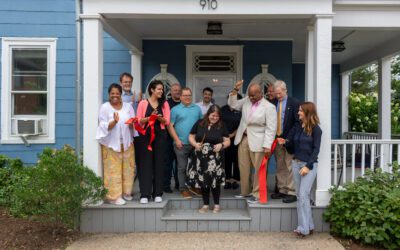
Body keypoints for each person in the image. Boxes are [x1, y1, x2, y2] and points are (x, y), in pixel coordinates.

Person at [277, 102, 322, 236]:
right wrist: (285, 142)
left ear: (308, 112)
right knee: (301, 196)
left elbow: (316, 150)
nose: (298, 113)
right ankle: (309, 225)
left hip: (308, 166)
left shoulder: (316, 129)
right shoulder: (298, 127)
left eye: (301, 111)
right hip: (296, 163)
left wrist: (308, 166)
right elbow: (294, 145)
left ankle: (303, 229)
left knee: (303, 196)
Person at [228, 80, 277, 203]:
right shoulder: (246, 100)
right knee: (243, 167)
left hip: (259, 141)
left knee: (259, 169)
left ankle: (258, 194)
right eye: (249, 95)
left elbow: (271, 128)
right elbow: (232, 104)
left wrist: (267, 146)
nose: (251, 98)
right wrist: (235, 90)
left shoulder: (269, 107)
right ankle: (245, 192)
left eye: (254, 95)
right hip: (243, 138)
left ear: (261, 93)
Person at [96, 83, 135, 205]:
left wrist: (131, 124)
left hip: (127, 143)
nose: (115, 95)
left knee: (128, 169)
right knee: (113, 171)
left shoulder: (128, 106)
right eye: (112, 93)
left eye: (117, 93)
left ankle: (126, 192)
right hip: (111, 144)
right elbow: (103, 126)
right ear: (109, 94)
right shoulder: (105, 107)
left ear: (120, 94)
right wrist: (114, 121)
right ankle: (113, 197)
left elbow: (133, 123)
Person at [187, 105, 231, 213]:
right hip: (200, 158)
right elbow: (191, 136)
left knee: (215, 181)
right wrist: (195, 144)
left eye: (217, 116)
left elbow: (228, 141)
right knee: (203, 181)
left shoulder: (222, 125)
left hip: (215, 158)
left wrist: (221, 145)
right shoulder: (200, 123)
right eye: (212, 115)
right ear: (208, 114)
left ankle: (216, 205)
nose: (214, 118)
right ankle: (205, 205)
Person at [135, 80, 170, 204]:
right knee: (145, 164)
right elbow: (138, 121)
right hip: (145, 136)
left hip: (160, 135)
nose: (161, 91)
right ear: (152, 90)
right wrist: (150, 117)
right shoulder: (143, 103)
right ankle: (145, 194)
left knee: (159, 163)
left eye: (162, 89)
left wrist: (158, 117)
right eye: (159, 89)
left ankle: (157, 193)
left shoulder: (165, 104)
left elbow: (166, 122)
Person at [168, 88, 203, 199]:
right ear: (181, 97)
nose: (187, 97)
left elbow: (201, 125)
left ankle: (194, 187)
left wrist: (200, 141)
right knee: (182, 167)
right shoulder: (175, 109)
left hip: (195, 144)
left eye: (189, 95)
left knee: (196, 167)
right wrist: (177, 140)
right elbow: (170, 126)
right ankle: (183, 189)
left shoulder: (197, 109)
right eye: (185, 95)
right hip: (181, 144)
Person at [270, 80, 300, 203]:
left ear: (285, 90)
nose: (278, 96)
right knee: (280, 165)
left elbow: (297, 123)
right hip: (277, 140)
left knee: (289, 166)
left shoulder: (294, 103)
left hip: (289, 140)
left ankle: (292, 192)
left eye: (280, 93)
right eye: (276, 94)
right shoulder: (273, 103)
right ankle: (282, 190)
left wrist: (287, 138)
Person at [221, 94, 242, 189]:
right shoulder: (223, 109)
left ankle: (236, 181)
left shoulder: (241, 110)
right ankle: (227, 180)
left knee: (237, 160)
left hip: (237, 138)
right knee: (227, 160)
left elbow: (243, 124)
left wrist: (233, 134)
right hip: (225, 138)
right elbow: (219, 122)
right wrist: (225, 135)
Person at [164, 83, 182, 193]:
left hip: (180, 137)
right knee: (168, 162)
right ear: (171, 91)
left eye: (178, 90)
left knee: (180, 163)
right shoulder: (166, 104)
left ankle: (179, 184)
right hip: (167, 137)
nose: (177, 92)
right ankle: (166, 185)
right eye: (175, 90)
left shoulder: (184, 103)